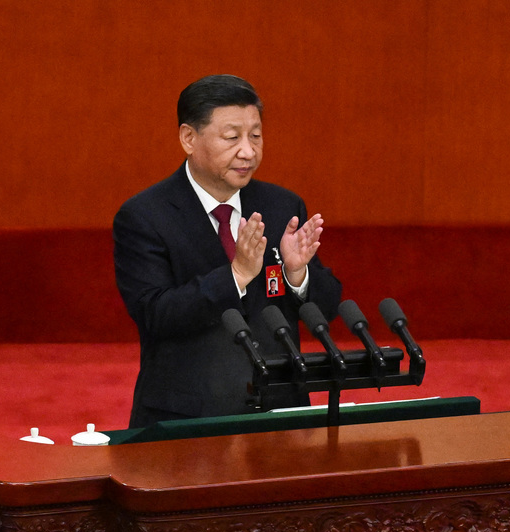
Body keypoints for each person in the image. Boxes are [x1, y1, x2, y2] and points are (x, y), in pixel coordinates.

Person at [113, 74, 342, 428]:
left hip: (280, 414)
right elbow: (156, 314)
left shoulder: (281, 206)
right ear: (189, 138)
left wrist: (297, 274)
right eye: (232, 137)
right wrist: (235, 276)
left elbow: (327, 308)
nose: (248, 151)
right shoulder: (145, 216)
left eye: (256, 136)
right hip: (188, 419)